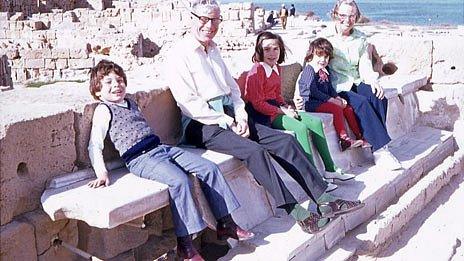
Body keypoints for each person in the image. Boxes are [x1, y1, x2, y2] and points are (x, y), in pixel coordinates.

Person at [166, 0, 364, 235]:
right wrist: (228, 121)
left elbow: (233, 91)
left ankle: (325, 199)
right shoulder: (179, 54)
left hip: (231, 116)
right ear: (191, 19)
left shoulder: (214, 50)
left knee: (286, 141)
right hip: (201, 124)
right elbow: (188, 103)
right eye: (203, 19)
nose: (209, 25)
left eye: (215, 20)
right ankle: (299, 214)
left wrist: (239, 114)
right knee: (254, 151)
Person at [87, 60, 254, 261]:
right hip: (140, 158)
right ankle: (186, 244)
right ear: (97, 91)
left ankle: (225, 223)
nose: (117, 85)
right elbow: (95, 144)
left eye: (120, 80)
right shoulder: (104, 110)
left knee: (208, 168)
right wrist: (101, 173)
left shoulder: (131, 102)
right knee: (179, 181)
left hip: (161, 148)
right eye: (108, 83)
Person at [296, 0, 402, 170]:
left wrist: (373, 81)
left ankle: (378, 145)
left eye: (352, 15)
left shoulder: (360, 37)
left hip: (356, 79)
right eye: (343, 15)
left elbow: (365, 63)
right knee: (361, 103)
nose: (347, 19)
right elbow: (309, 64)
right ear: (335, 15)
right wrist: (299, 94)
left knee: (378, 97)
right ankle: (381, 151)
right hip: (336, 86)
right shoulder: (325, 37)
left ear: (357, 17)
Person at [243, 31, 355, 185]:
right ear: (259, 50)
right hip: (263, 114)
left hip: (277, 108)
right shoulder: (257, 71)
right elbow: (258, 104)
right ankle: (314, 177)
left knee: (315, 123)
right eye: (267, 49)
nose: (272, 53)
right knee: (300, 128)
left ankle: (330, 169)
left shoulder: (276, 68)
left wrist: (287, 106)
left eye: (275, 48)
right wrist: (283, 111)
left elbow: (277, 95)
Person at [297, 37, 365, 152]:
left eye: (326, 57)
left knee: (347, 109)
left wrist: (337, 97)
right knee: (336, 108)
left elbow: (330, 88)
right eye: (320, 56)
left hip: (322, 101)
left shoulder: (324, 70)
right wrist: (331, 100)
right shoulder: (310, 70)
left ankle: (360, 137)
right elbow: (312, 91)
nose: (323, 59)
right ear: (311, 55)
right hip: (310, 103)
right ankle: (344, 139)